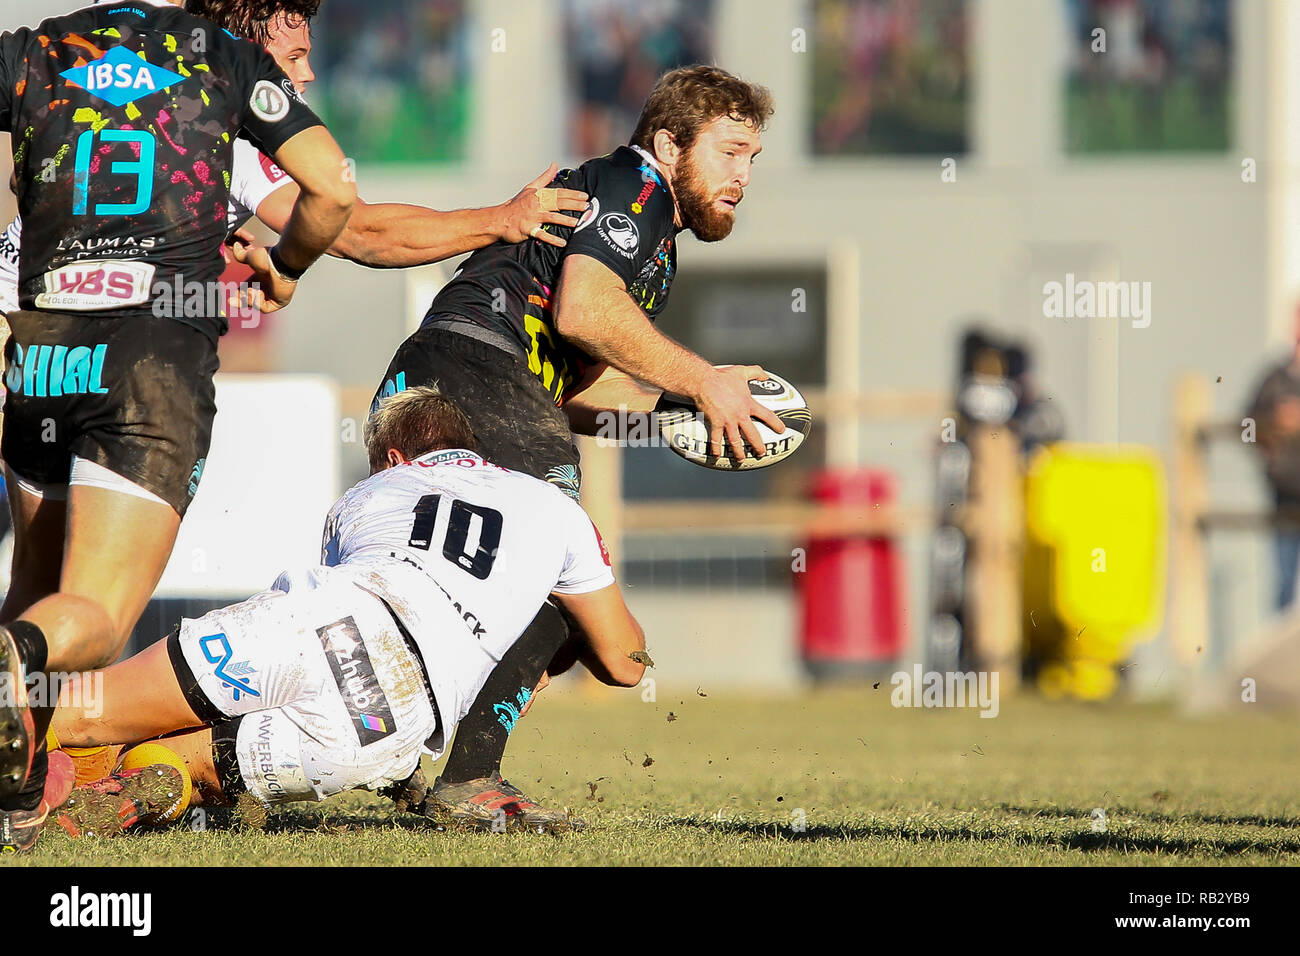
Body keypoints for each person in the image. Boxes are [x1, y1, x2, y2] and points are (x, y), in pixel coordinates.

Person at [365, 65, 778, 828]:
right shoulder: (635, 186)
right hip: (473, 369)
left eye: (753, 157)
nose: (744, 175)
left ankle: (316, 747)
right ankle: (468, 779)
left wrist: (684, 406)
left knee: (452, 602)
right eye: (729, 152)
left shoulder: (656, 246)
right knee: (566, 572)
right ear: (668, 142)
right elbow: (589, 312)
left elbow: (577, 389)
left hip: (429, 384)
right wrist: (705, 377)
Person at [0, 0, 357, 847]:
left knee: (34, 594)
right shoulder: (222, 56)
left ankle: (15, 804)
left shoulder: (41, 48)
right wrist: (289, 265)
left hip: (43, 344)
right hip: (153, 349)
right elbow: (333, 190)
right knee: (87, 613)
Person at [46, 387, 645, 841]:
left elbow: (327, 633)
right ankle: (171, 778)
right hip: (396, 720)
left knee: (78, 710)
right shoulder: (558, 508)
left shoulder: (363, 495)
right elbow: (625, 662)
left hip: (320, 619)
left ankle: (68, 758)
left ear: (392, 455)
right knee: (196, 765)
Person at [1246, 315, 1300, 610]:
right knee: (1284, 584)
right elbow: (1246, 427)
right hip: (1286, 496)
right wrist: (1270, 438)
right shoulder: (1275, 380)